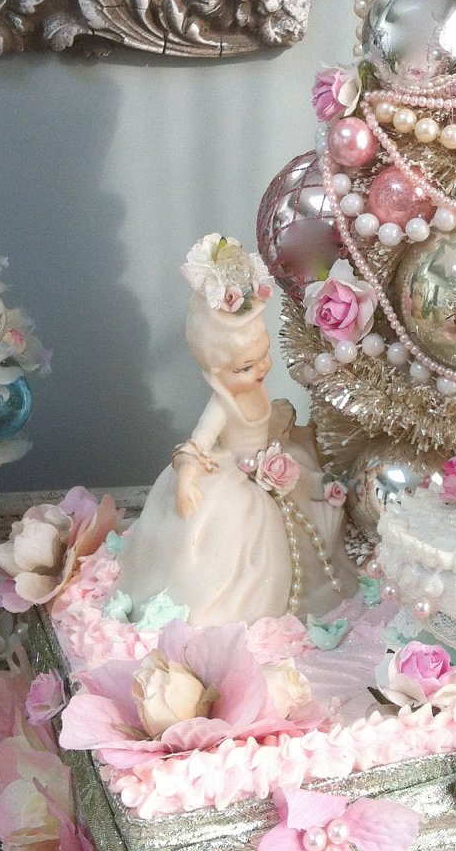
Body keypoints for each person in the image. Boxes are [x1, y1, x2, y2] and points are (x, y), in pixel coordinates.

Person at [116, 234, 354, 625]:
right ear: (215, 373)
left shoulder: (255, 387)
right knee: (236, 552)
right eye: (245, 368)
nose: (259, 371)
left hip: (268, 465)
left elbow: (268, 423)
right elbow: (196, 445)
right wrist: (187, 480)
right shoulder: (222, 404)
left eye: (263, 358)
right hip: (233, 483)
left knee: (312, 520)